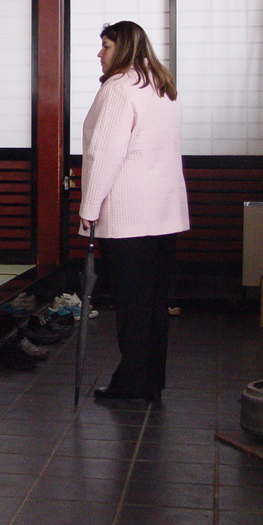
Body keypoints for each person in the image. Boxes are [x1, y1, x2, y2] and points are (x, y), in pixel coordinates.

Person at [79, 21, 189, 403]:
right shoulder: (161, 86)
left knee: (131, 305)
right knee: (155, 305)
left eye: (105, 46)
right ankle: (150, 380)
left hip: (128, 217)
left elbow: (103, 153)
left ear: (122, 48)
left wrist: (88, 208)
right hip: (163, 214)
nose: (100, 53)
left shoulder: (119, 88)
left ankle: (131, 382)